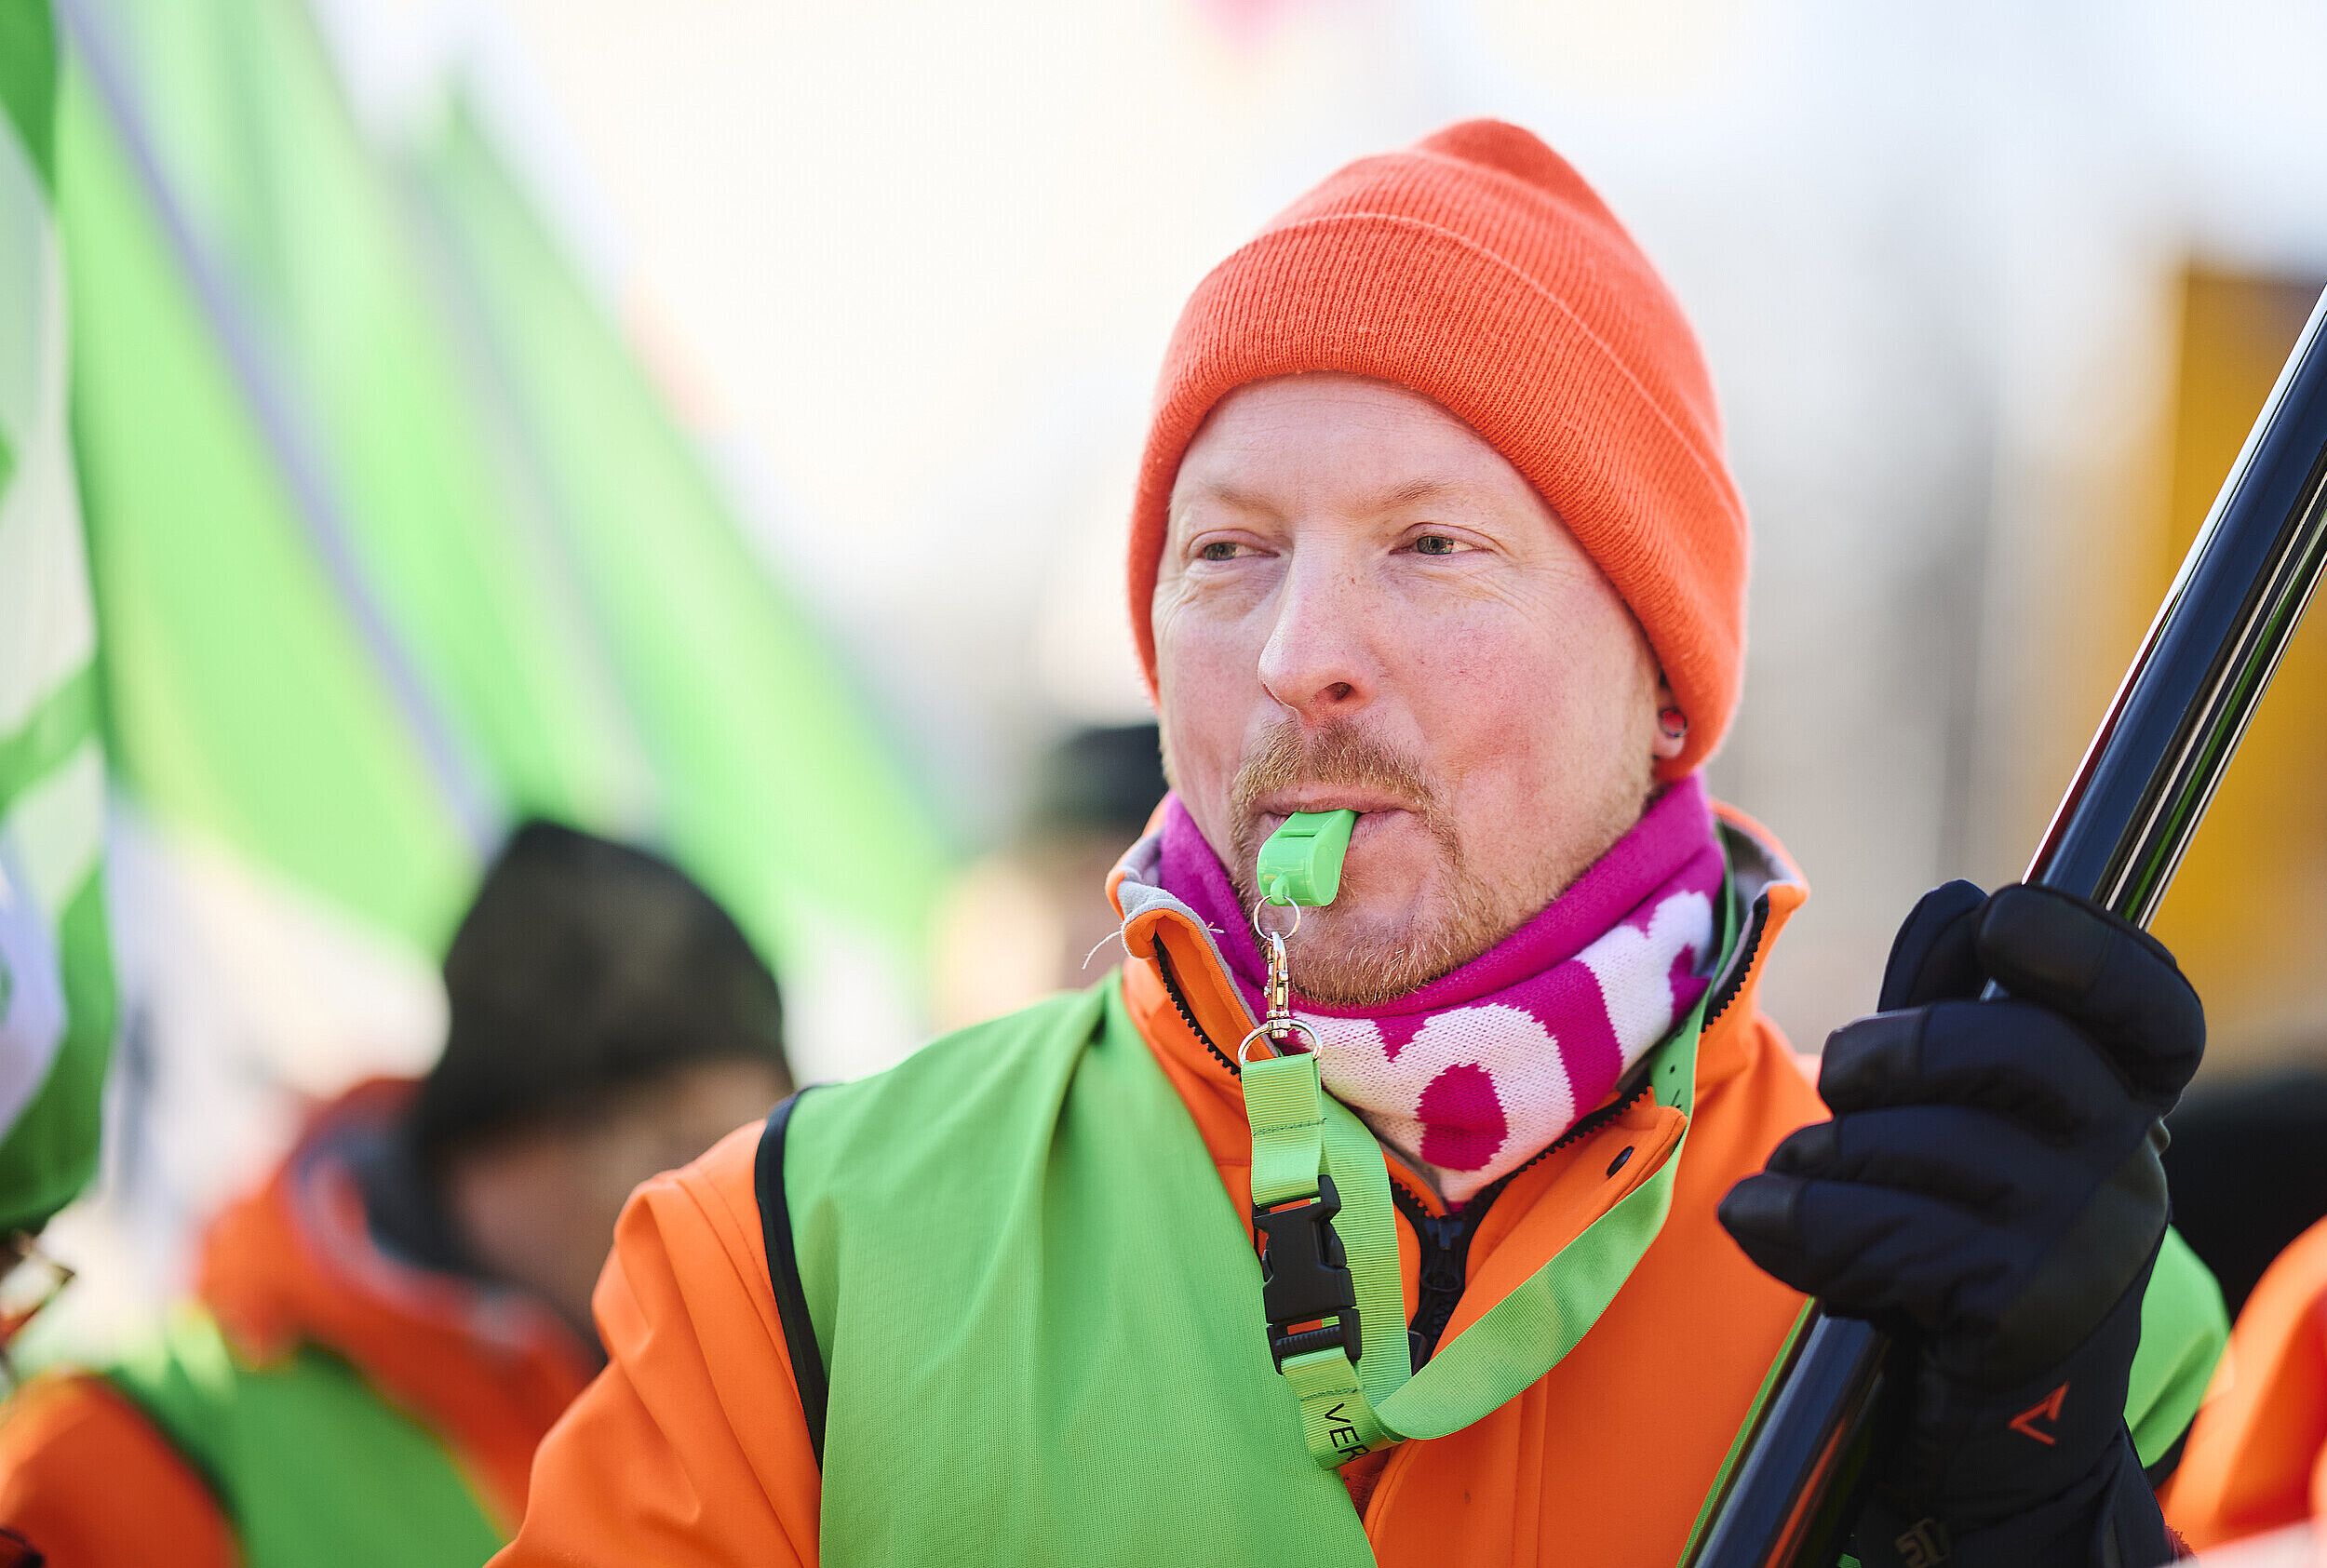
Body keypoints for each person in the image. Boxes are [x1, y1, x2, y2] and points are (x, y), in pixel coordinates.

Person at [499, 122, 2225, 1567]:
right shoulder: (795, 1262)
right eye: (1228, 552)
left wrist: (2041, 1509)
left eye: (1432, 546)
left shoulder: (2027, 1293)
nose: (1298, 653)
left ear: (1662, 681)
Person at [0, 822, 793, 1567]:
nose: (726, 1217)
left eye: (753, 1169)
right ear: (528, 1124)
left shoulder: (735, 1442)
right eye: (687, 1148)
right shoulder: (137, 1452)